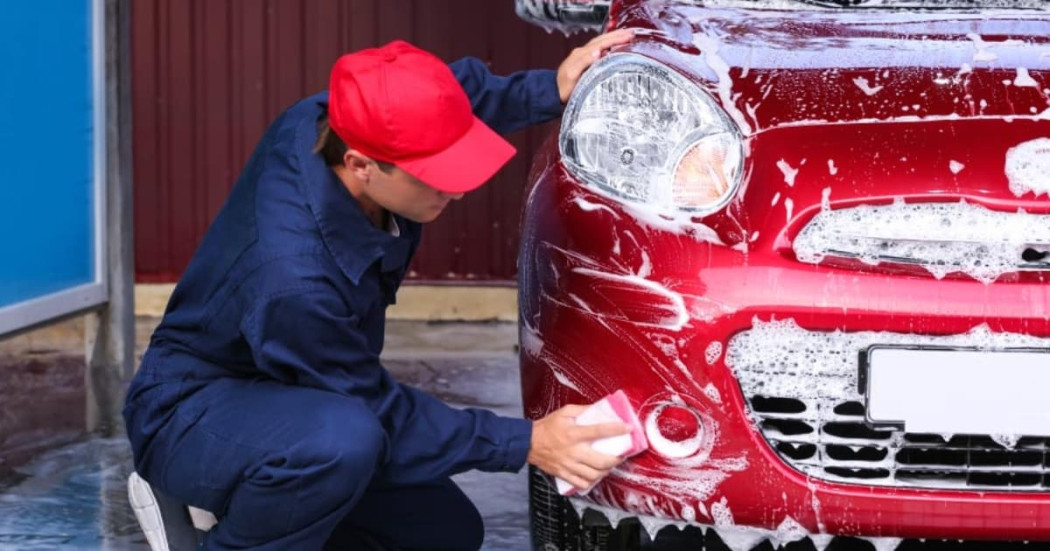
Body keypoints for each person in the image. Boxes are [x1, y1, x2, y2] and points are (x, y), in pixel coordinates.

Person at [124, 30, 634, 551]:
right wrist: (528, 442)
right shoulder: (295, 278)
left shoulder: (327, 122)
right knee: (343, 443)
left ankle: (248, 505)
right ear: (360, 166)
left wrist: (550, 87)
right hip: (191, 411)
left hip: (294, 387)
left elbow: (443, 98)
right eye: (433, 176)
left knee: (442, 532)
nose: (455, 188)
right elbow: (372, 405)